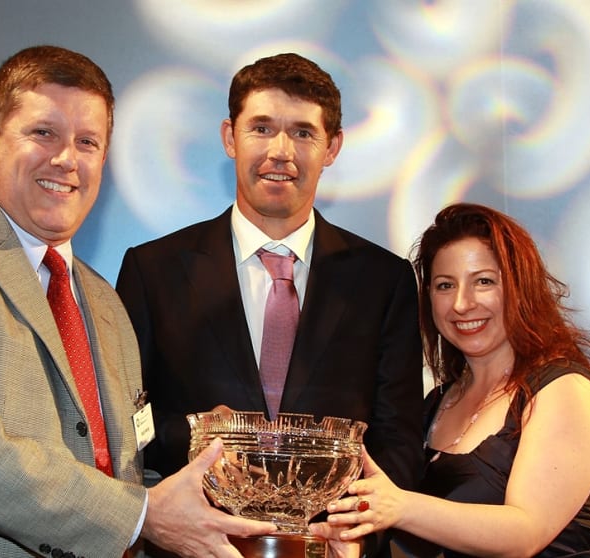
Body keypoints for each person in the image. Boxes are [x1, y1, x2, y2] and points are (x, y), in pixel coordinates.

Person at [0, 45, 277, 558]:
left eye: (87, 142)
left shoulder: (104, 302)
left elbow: (119, 470)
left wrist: (209, 492)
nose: (67, 159)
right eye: (43, 132)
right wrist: (142, 516)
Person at [114, 52, 424, 557]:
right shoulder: (153, 270)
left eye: (303, 133)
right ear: (229, 137)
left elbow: (399, 437)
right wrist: (197, 436)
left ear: (333, 147)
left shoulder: (383, 279)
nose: (281, 151)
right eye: (261, 128)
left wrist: (357, 534)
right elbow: (127, 416)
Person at [310, 202, 590, 558]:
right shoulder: (439, 401)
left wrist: (399, 507)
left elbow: (526, 533)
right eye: (445, 285)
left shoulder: (564, 390)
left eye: (483, 282)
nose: (462, 304)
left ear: (520, 288)